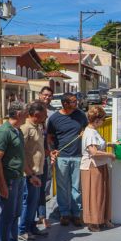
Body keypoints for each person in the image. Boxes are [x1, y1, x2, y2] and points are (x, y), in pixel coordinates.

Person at [0, 101, 30, 241]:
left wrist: (31, 175)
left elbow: (20, 157)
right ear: (17, 114)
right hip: (9, 180)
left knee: (16, 214)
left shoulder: (18, 131)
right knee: (7, 215)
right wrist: (2, 184)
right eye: (25, 112)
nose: (27, 115)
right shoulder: (4, 131)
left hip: (19, 178)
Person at [47, 92, 88, 226]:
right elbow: (50, 137)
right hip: (62, 157)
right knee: (62, 187)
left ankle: (76, 214)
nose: (76, 104)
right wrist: (52, 150)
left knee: (77, 188)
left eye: (76, 101)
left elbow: (86, 128)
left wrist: (84, 131)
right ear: (65, 103)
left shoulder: (80, 115)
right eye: (73, 102)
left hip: (77, 156)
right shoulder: (54, 119)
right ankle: (64, 213)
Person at [80, 105, 116, 231]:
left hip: (100, 166)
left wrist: (111, 144)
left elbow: (98, 145)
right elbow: (94, 152)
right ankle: (93, 222)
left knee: (101, 194)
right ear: (97, 120)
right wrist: (110, 154)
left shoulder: (93, 131)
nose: (103, 122)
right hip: (92, 167)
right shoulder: (90, 132)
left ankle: (102, 219)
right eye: (102, 119)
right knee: (94, 195)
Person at [18, 102, 49, 241]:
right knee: (28, 202)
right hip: (30, 174)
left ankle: (31, 226)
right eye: (44, 115)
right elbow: (21, 152)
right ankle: (23, 230)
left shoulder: (38, 126)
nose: (46, 117)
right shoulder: (25, 128)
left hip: (38, 171)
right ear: (36, 115)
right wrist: (29, 173)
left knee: (34, 201)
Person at [36, 86, 54, 229]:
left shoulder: (53, 112)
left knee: (45, 184)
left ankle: (42, 215)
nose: (47, 97)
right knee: (33, 188)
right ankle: (33, 217)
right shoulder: (31, 109)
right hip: (33, 155)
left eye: (50, 96)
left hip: (47, 152)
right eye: (45, 95)